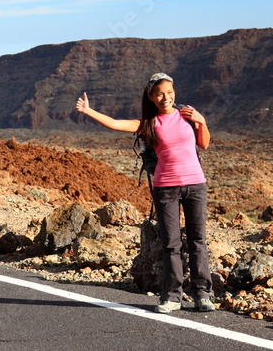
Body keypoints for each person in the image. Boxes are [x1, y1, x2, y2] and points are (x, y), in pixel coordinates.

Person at [75, 72, 215, 313]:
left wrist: (202, 121)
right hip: (165, 188)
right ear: (150, 96)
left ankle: (203, 294)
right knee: (171, 245)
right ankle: (172, 297)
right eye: (159, 94)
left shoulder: (187, 114)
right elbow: (117, 123)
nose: (165, 98)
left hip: (195, 185)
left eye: (169, 93)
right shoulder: (148, 124)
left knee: (197, 242)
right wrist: (89, 111)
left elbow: (204, 144)